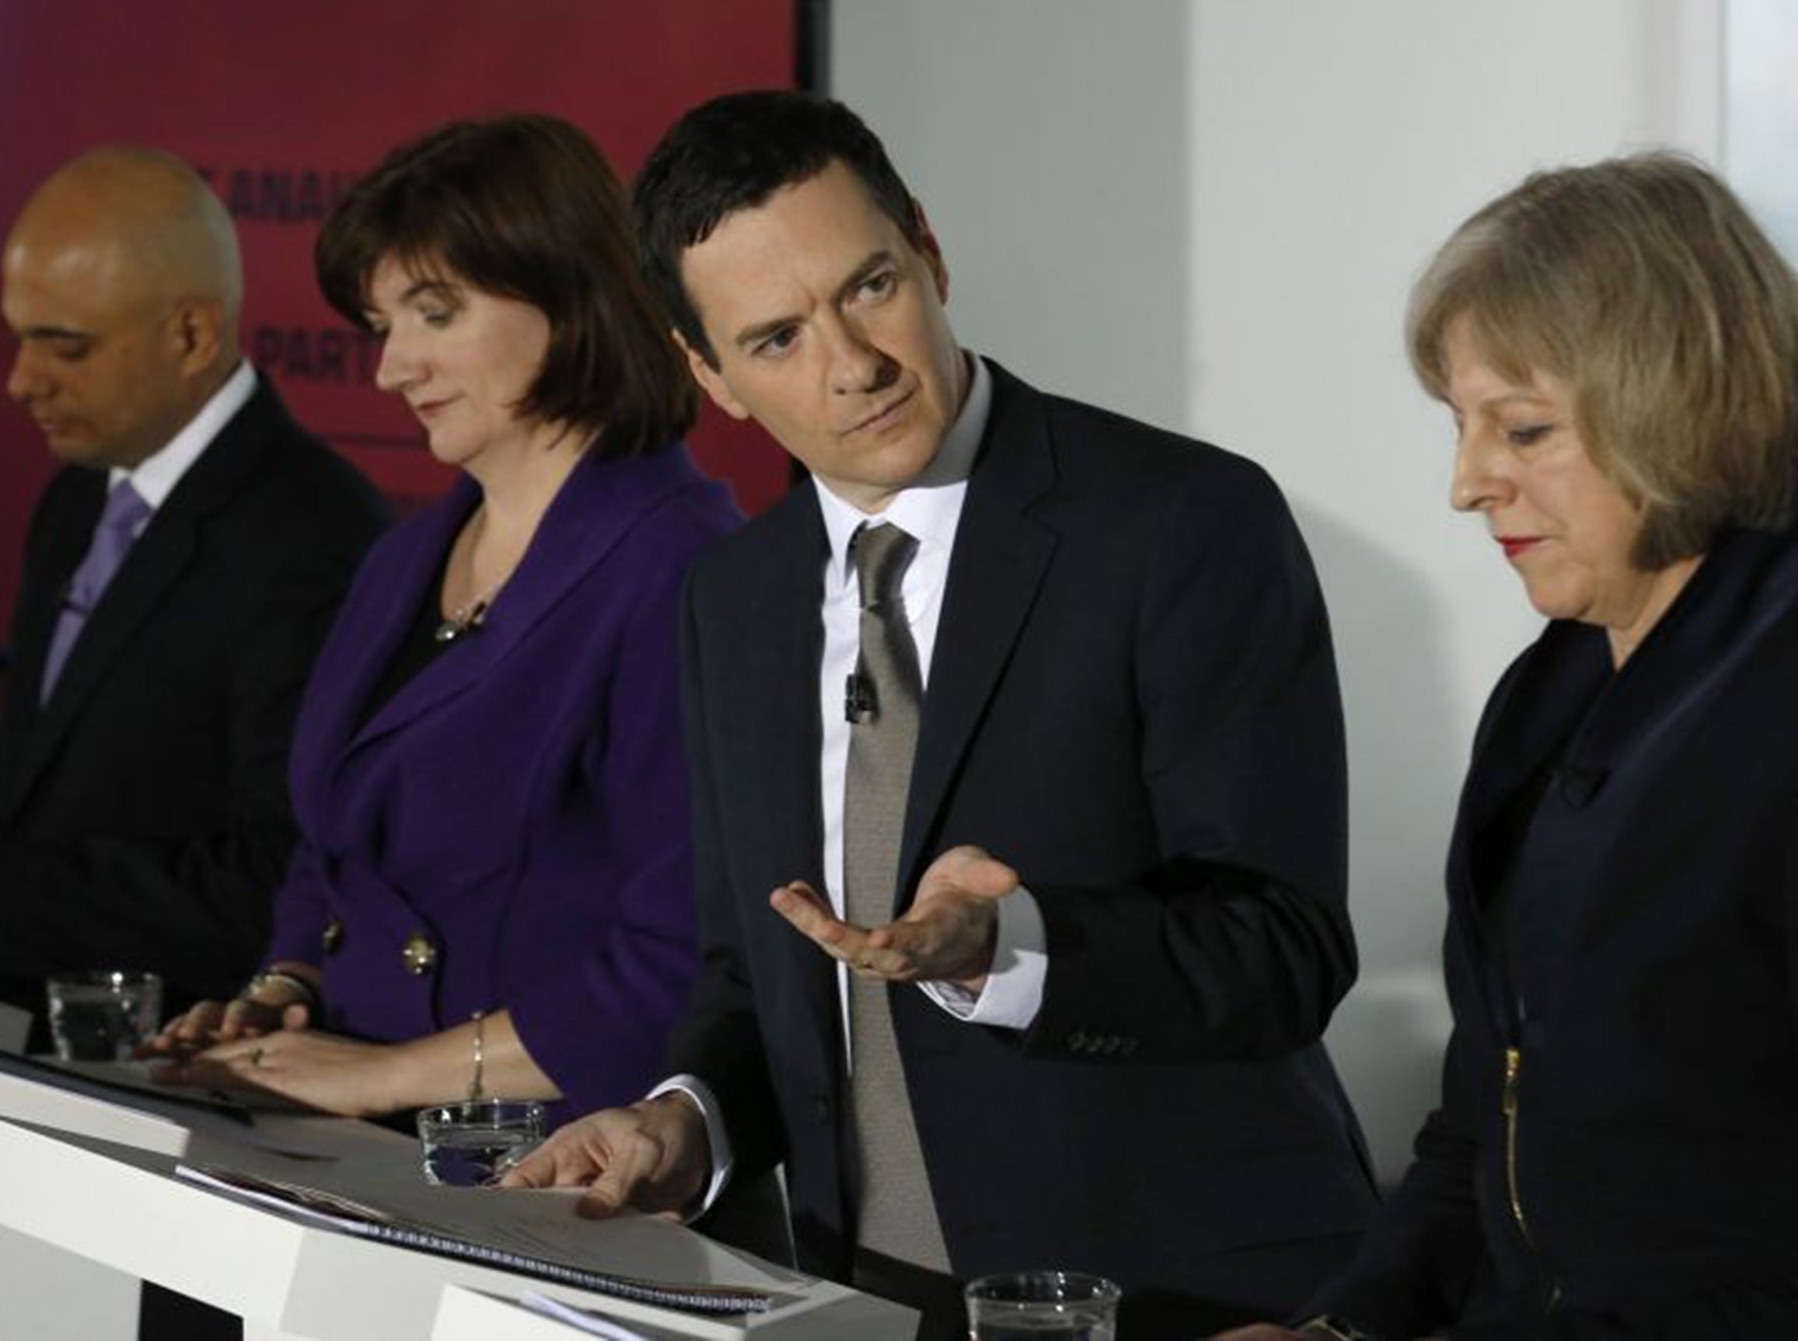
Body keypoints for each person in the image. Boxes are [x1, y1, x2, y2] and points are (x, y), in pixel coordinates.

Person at [507, 91, 1378, 1340]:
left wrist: (1007, 946)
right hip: (860, 1297)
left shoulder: (1182, 521)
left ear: (927, 246)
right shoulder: (731, 599)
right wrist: (682, 1118)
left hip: (1173, 1294)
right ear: (710, 377)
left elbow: (1284, 949)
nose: (850, 364)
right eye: (774, 339)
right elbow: (747, 976)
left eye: (868, 285)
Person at [1220, 154, 1798, 1341]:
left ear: (1679, 408)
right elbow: (1480, 1122)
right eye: (1462, 426)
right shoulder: (1549, 697)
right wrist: (1344, 1326)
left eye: (1520, 428)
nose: (1467, 483)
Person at [149, 115, 740, 1123]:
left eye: (434, 312)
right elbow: (329, 844)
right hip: (348, 1130)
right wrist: (284, 993)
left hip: (538, 1164)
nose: (391, 368)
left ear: (568, 292)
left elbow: (673, 964)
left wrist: (381, 1075)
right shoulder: (405, 553)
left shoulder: (684, 568)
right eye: (383, 325)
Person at [0, 147, 386, 1008]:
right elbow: (31, 806)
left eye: (67, 348)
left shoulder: (312, 535)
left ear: (193, 334)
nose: (22, 383)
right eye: (18, 339)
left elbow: (282, 882)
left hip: (187, 1069)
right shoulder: (77, 500)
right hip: (28, 1035)